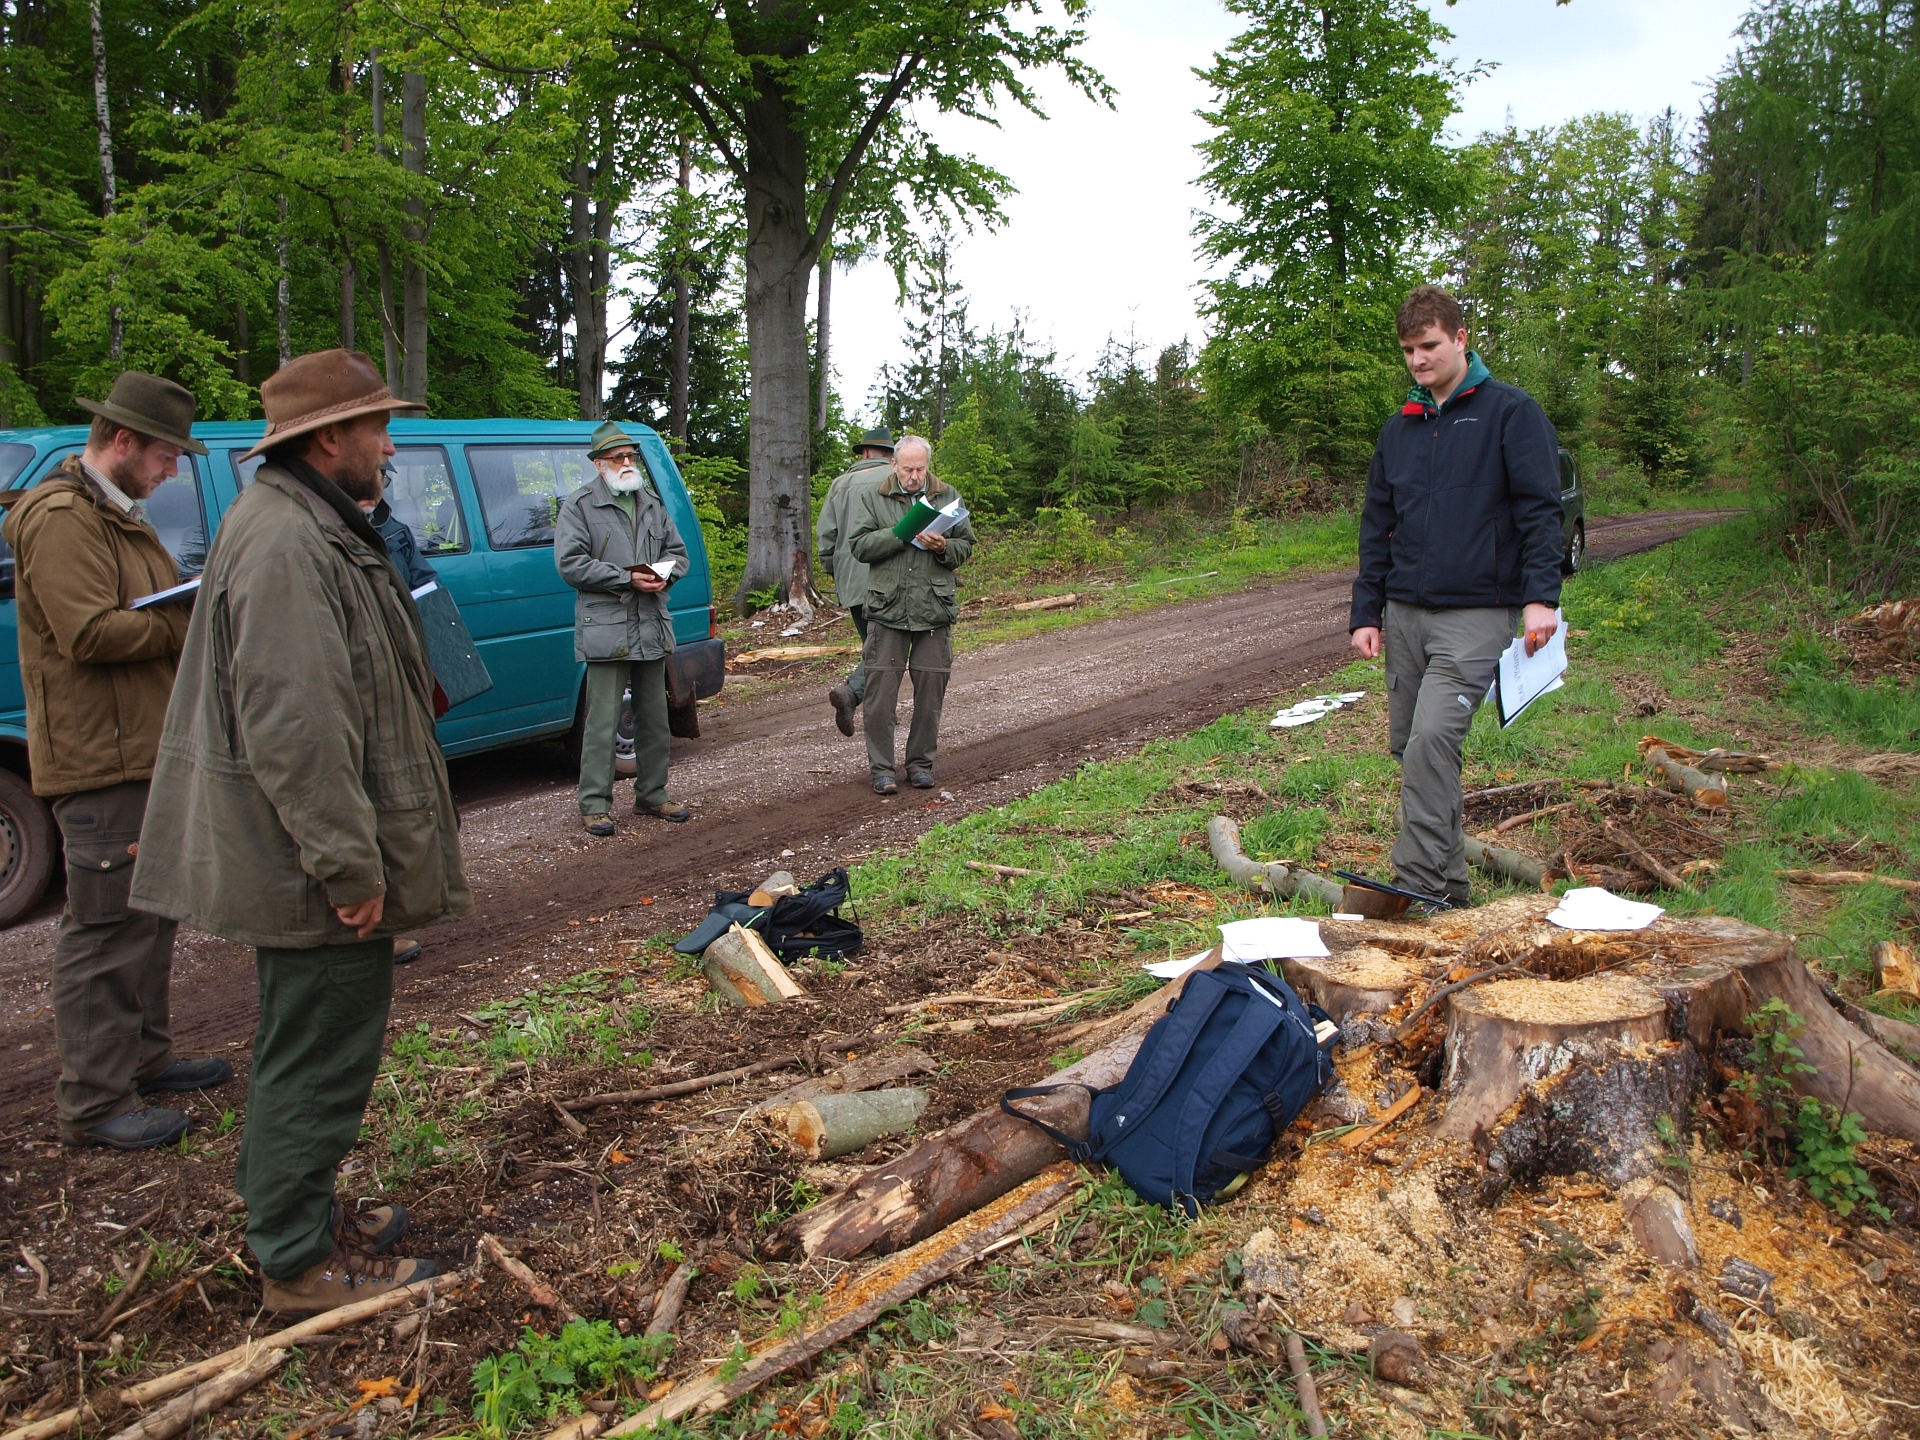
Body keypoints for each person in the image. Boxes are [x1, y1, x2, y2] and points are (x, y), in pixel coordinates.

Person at [131, 348, 470, 1312]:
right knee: (318, 1051)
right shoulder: (288, 542)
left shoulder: (306, 520)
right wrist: (349, 866)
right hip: (306, 866)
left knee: (309, 1040)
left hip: (305, 857)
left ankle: (299, 1213)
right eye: (378, 427)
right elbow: (298, 726)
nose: (390, 445)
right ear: (329, 440)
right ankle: (296, 1263)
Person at [0, 373, 233, 1150]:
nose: (172, 471)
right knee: (104, 930)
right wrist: (189, 621)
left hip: (139, 746)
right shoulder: (62, 517)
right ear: (123, 440)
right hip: (101, 757)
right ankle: (94, 1101)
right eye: (166, 455)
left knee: (149, 913)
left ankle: (144, 1057)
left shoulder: (114, 514)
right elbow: (89, 634)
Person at [1350, 285, 1564, 906]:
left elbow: (1540, 511)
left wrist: (1541, 597)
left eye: (1429, 346)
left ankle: (1414, 888)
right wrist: (1367, 612)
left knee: (1431, 742)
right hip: (1405, 614)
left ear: (1461, 338)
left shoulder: (1510, 413)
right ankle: (1451, 892)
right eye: (1408, 350)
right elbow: (1377, 525)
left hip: (1476, 615)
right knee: (1411, 748)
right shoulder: (1400, 429)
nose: (1418, 360)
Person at [555, 421, 691, 835]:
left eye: (631, 455)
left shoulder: (650, 502)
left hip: (650, 621)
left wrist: (664, 576)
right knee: (602, 722)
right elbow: (569, 563)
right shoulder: (580, 506)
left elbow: (678, 554)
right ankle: (594, 804)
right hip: (607, 625)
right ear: (599, 464)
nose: (628, 462)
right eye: (618, 457)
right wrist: (625, 577)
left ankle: (652, 795)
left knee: (655, 717)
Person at [844, 435, 975, 794]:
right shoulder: (874, 497)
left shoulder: (947, 495)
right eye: (907, 469)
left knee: (930, 697)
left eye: (920, 469)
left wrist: (944, 546)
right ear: (894, 465)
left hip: (933, 609)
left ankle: (919, 765)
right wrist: (900, 534)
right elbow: (859, 546)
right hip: (888, 608)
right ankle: (882, 771)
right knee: (880, 699)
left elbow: (966, 545)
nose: (914, 476)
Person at [816, 427, 895, 736]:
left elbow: (827, 537)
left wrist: (836, 571)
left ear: (864, 452)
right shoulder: (898, 478)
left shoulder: (839, 485)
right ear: (891, 454)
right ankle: (853, 694)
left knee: (874, 647)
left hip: (851, 581)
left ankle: (876, 709)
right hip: (890, 577)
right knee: (889, 649)